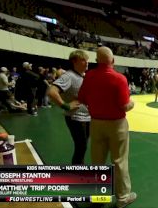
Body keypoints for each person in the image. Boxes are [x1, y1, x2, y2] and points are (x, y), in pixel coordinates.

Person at [78, 47, 136, 208]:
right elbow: (125, 106)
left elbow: (82, 98)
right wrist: (132, 103)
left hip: (96, 124)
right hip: (117, 125)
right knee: (119, 161)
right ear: (113, 61)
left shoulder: (89, 76)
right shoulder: (120, 79)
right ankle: (123, 197)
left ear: (96, 61)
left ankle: (99, 197)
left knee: (97, 160)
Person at [47, 50, 91, 164]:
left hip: (86, 117)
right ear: (74, 61)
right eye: (83, 60)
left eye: (87, 61)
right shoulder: (69, 76)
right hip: (76, 118)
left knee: (83, 146)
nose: (87, 63)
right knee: (81, 147)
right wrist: (66, 106)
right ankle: (77, 172)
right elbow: (52, 92)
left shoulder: (83, 76)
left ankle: (80, 167)